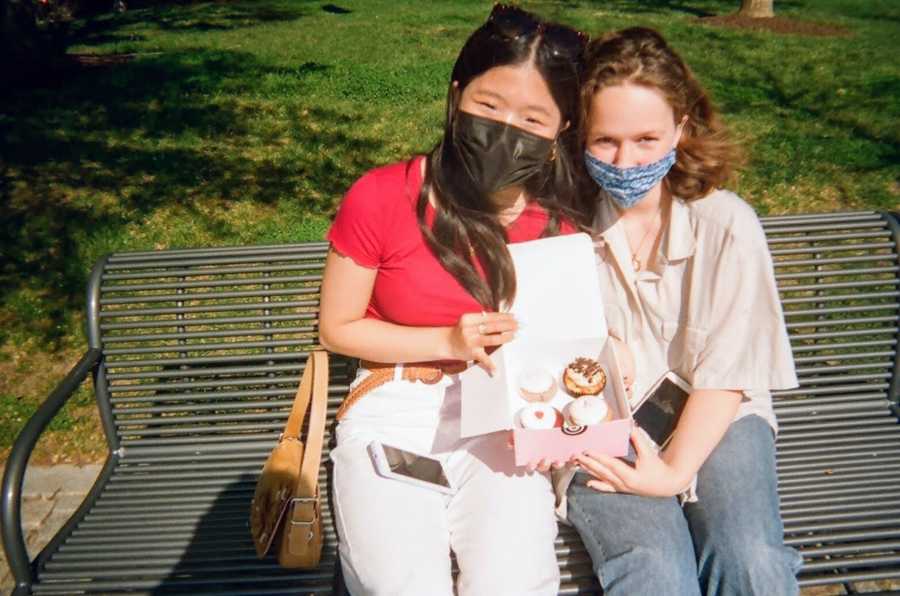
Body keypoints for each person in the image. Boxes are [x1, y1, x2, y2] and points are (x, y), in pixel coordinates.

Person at [318, 5, 586, 595]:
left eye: (533, 118)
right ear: (457, 92)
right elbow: (337, 328)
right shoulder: (384, 194)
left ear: (561, 129)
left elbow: (569, 355)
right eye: (489, 106)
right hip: (397, 406)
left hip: (508, 422)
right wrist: (446, 341)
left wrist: (562, 432)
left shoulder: (560, 227)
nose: (506, 129)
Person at [560, 27, 803, 595]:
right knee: (653, 569)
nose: (626, 160)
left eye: (647, 139)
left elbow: (728, 374)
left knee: (753, 560)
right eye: (605, 141)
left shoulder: (727, 225)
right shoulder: (559, 225)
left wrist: (672, 472)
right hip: (600, 422)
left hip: (717, 412)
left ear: (682, 130)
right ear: (580, 139)